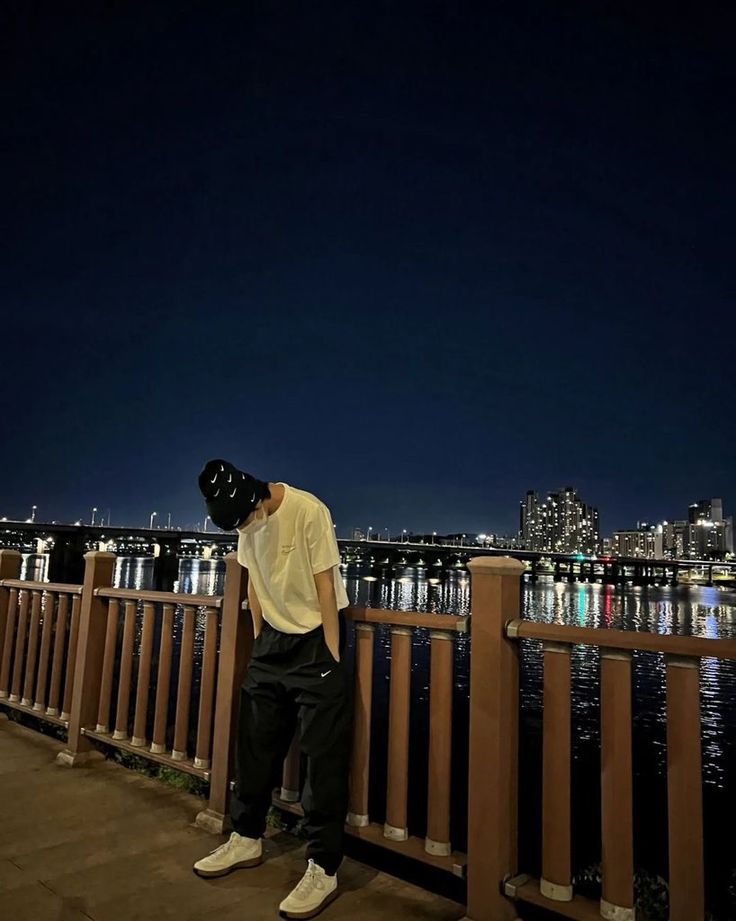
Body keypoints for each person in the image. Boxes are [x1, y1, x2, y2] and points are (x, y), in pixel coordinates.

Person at [193, 459, 352, 919]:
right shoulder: (246, 523)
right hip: (273, 645)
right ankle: (246, 838)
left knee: (322, 760)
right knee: (256, 747)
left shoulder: (307, 510)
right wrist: (261, 634)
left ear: (257, 499)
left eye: (243, 519)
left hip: (317, 643)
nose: (243, 528)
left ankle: (323, 866)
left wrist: (332, 653)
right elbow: (255, 584)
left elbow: (325, 584)